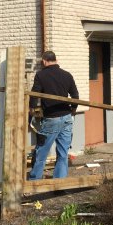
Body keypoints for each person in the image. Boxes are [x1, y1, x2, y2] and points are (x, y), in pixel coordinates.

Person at [28, 51, 79, 180]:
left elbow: (35, 95)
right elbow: (75, 96)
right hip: (67, 118)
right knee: (63, 153)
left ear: (44, 61)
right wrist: (73, 110)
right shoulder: (67, 75)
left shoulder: (41, 75)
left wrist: (32, 110)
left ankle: (34, 181)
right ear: (56, 60)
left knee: (42, 152)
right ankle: (59, 183)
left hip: (51, 119)